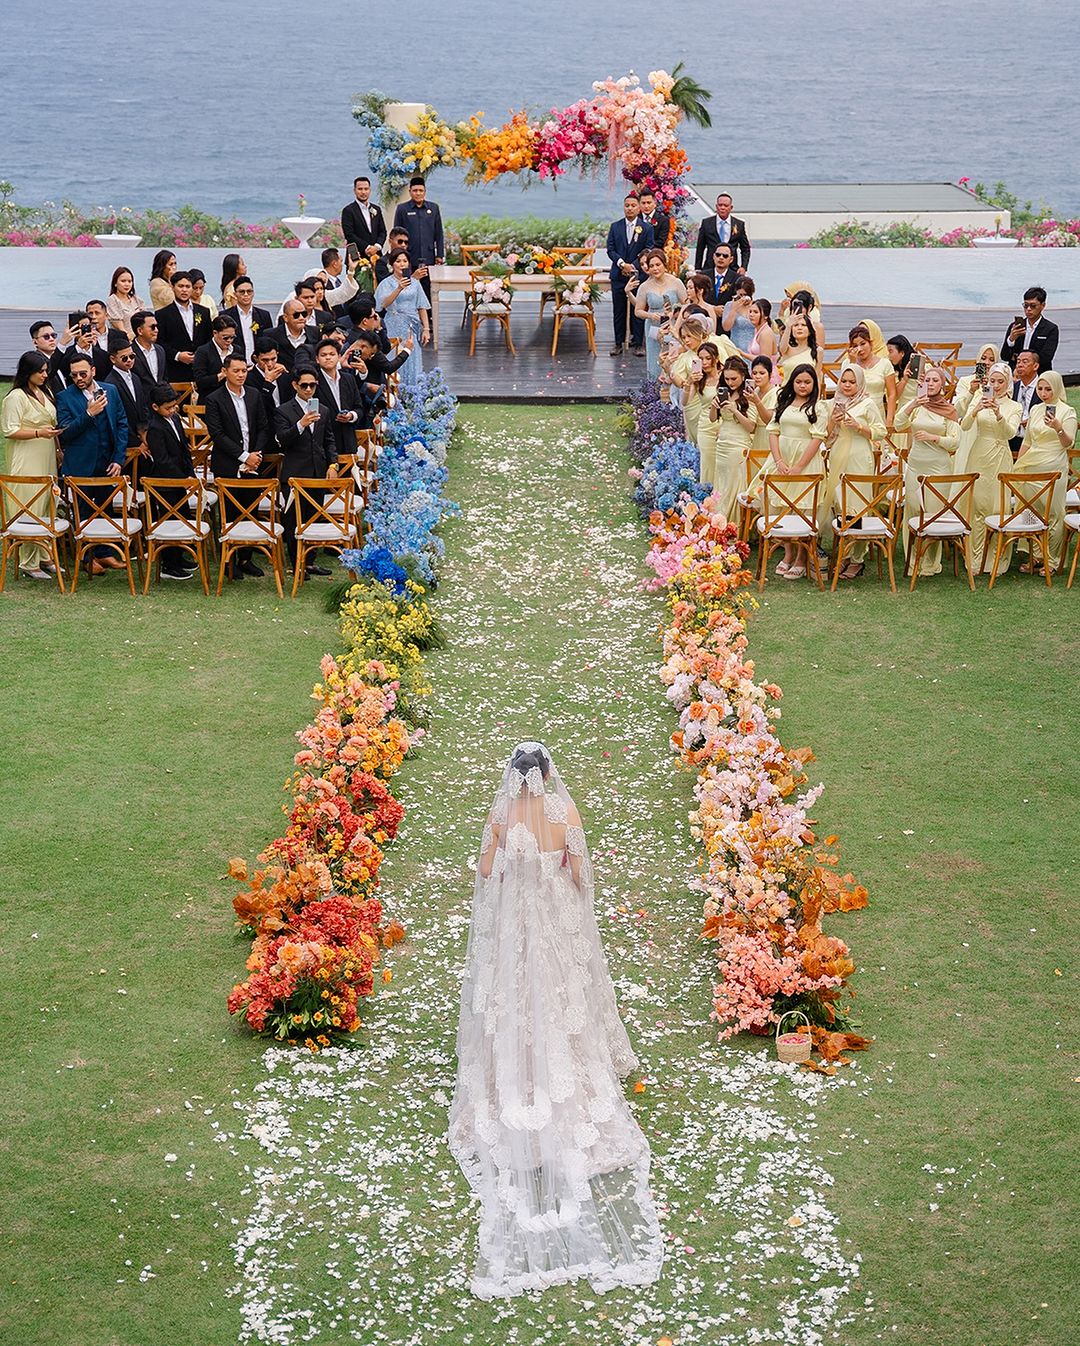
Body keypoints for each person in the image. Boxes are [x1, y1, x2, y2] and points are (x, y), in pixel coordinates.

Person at [449, 741, 663, 1300]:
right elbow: (579, 872)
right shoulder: (564, 812)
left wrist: (511, 874)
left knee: (517, 997)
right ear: (546, 776)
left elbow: (487, 872)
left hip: (517, 925)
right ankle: (570, 1073)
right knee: (566, 995)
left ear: (513, 779)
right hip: (554, 921)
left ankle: (516, 1075)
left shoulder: (501, 815)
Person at [56, 352, 129, 574]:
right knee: (84, 513)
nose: (79, 378)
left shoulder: (111, 390)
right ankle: (86, 558)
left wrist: (118, 459)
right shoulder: (64, 397)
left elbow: (122, 424)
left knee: (105, 510)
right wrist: (89, 413)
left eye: (83, 373)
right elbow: (65, 433)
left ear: (93, 371)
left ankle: (105, 554)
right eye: (74, 375)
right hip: (81, 465)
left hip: (108, 463)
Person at [204, 353, 275, 579]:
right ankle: (229, 560)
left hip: (254, 460)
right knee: (230, 512)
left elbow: (264, 427)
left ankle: (246, 558)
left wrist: (256, 454)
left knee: (251, 509)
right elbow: (217, 434)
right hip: (229, 463)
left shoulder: (254, 395)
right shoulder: (214, 399)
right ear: (225, 371)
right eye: (236, 371)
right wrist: (244, 457)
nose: (241, 375)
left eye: (244, 370)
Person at [894, 365, 961, 577]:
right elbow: (898, 424)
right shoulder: (915, 406)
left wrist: (934, 438)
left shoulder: (949, 410)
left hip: (938, 466)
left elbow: (955, 442)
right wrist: (913, 402)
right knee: (913, 509)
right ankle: (912, 559)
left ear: (942, 385)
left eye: (935, 381)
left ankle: (930, 562)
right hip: (915, 464)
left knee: (932, 512)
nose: (931, 384)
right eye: (928, 380)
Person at [0, 351, 63, 579]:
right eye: (41, 371)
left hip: (46, 454)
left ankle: (45, 555)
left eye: (46, 371)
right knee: (30, 504)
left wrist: (57, 448)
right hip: (26, 457)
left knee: (48, 502)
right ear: (29, 372)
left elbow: (51, 423)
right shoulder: (16, 397)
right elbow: (10, 430)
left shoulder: (44, 391)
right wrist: (39, 432)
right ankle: (28, 561)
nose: (45, 375)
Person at [957, 362, 1021, 571]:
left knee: (996, 506)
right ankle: (975, 557)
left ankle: (994, 559)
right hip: (978, 453)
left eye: (1000, 381)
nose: (996, 385)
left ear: (1007, 382)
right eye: (993, 381)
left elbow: (1010, 433)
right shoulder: (979, 398)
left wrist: (998, 413)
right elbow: (964, 425)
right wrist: (976, 409)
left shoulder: (1014, 406)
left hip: (999, 454)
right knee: (976, 504)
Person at [822, 364, 885, 575]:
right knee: (841, 504)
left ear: (859, 383)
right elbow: (826, 434)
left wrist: (858, 426)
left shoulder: (868, 403)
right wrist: (834, 421)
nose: (847, 385)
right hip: (839, 454)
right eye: (844, 381)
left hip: (859, 455)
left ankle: (857, 557)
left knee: (858, 506)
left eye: (852, 382)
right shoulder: (834, 402)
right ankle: (844, 554)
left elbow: (880, 431)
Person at [767, 364, 827, 579]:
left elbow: (818, 437)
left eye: (807, 382)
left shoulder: (818, 408)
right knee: (782, 506)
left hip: (806, 462)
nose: (802, 386)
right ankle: (788, 554)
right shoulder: (782, 402)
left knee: (803, 509)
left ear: (814, 385)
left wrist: (800, 466)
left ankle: (802, 557)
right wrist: (778, 460)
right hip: (781, 460)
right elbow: (773, 431)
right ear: (792, 382)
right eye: (799, 381)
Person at [275, 367, 336, 576]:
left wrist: (333, 464)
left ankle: (309, 562)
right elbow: (282, 439)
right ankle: (297, 564)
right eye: (304, 385)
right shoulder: (284, 410)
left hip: (317, 472)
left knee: (313, 517)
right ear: (295, 385)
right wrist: (301, 424)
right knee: (293, 521)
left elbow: (328, 441)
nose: (309, 389)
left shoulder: (324, 410)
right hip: (294, 474)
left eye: (312, 385)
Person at [1014, 370, 1076, 572]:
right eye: (1040, 388)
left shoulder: (1067, 412)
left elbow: (1068, 443)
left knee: (1054, 512)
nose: (1043, 392)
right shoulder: (1035, 410)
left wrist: (1058, 427)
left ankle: (1053, 559)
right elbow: (1028, 440)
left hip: (1053, 466)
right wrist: (1019, 464)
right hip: (1032, 465)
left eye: (1048, 389)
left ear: (1057, 388)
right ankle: (1035, 555)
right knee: (1031, 511)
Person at [144, 382, 199, 580]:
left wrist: (190, 472)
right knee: (169, 520)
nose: (173, 410)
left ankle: (178, 556)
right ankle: (168, 563)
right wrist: (182, 478)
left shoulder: (174, 419)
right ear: (155, 407)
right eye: (168, 408)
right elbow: (163, 460)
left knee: (182, 516)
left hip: (181, 477)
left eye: (174, 406)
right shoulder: (155, 428)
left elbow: (184, 448)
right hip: (165, 482)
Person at [699, 355, 756, 518]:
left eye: (734, 378)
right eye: (727, 379)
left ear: (743, 376)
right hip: (722, 441)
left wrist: (735, 410)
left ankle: (734, 522)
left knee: (734, 483)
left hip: (738, 444)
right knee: (722, 482)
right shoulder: (723, 392)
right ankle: (719, 519)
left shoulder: (749, 396)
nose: (730, 382)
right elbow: (712, 419)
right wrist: (713, 407)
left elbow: (751, 427)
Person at [605, 193, 654, 356]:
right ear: (623, 207)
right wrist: (621, 264)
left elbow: (648, 249)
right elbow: (610, 249)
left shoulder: (646, 228)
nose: (630, 208)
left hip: (638, 275)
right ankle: (618, 343)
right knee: (618, 310)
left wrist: (632, 265)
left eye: (633, 205)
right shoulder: (615, 226)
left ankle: (639, 343)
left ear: (639, 207)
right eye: (627, 205)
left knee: (638, 308)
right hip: (618, 275)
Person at [374, 250, 430, 387]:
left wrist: (426, 329)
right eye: (398, 261)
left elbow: (421, 306)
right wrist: (398, 288)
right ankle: (394, 393)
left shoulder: (415, 283)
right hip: (394, 323)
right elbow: (382, 305)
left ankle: (413, 392)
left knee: (412, 356)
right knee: (394, 356)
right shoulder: (386, 283)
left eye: (404, 261)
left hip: (411, 325)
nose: (402, 264)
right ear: (392, 264)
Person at [633, 249, 686, 380]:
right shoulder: (645, 287)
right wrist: (651, 315)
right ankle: (653, 392)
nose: (655, 269)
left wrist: (675, 314)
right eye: (651, 266)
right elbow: (638, 311)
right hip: (653, 327)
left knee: (672, 357)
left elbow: (686, 304)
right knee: (655, 359)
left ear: (664, 264)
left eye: (658, 265)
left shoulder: (676, 282)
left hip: (673, 325)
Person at [392, 177, 444, 301]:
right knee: (408, 284)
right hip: (408, 256)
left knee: (427, 286)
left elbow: (439, 233)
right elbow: (397, 234)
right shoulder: (402, 209)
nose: (418, 193)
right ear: (410, 191)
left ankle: (428, 313)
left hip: (428, 256)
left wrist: (440, 255)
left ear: (425, 191)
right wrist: (398, 254)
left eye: (421, 190)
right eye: (415, 190)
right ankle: (411, 311)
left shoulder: (434, 208)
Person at [156, 272, 212, 381]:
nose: (184, 290)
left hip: (202, 369)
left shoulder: (203, 312)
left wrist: (200, 355)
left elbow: (209, 337)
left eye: (188, 286)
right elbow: (160, 341)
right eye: (180, 286)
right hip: (176, 369)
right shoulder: (162, 314)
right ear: (172, 287)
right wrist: (178, 355)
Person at [103, 331, 151, 457]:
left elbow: (143, 407)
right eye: (124, 358)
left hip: (141, 436)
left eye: (132, 356)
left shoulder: (135, 377)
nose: (129, 360)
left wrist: (145, 434)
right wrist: (136, 442)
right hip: (125, 442)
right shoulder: (110, 383)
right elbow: (117, 418)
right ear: (113, 359)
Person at [314, 339, 364, 455]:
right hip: (325, 442)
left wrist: (351, 415)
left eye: (332, 354)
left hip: (348, 440)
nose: (328, 358)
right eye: (323, 355)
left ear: (339, 356)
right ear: (317, 359)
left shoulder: (348, 379)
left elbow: (359, 407)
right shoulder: (313, 381)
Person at [843, 321, 897, 425]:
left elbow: (891, 394)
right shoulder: (848, 363)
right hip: (854, 414)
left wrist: (889, 420)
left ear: (871, 343)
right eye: (855, 345)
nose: (860, 349)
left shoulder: (885, 364)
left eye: (863, 344)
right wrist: (853, 362)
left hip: (877, 415)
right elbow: (846, 388)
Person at [1001, 286, 1059, 371]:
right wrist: (1011, 340)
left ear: (1043, 305)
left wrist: (1022, 361)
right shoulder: (1015, 327)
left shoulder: (1050, 329)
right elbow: (1005, 356)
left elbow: (1046, 357)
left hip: (1039, 373)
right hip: (1015, 373)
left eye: (1033, 306)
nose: (1028, 309)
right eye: (1025, 305)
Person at [694, 192, 751, 273]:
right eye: (720, 205)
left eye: (725, 205)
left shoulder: (739, 224)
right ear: (716, 206)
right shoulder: (706, 223)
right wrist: (698, 268)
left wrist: (743, 267)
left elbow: (745, 248)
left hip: (732, 269)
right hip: (710, 268)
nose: (722, 208)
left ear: (731, 207)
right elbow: (700, 247)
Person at [682, 341, 723, 450]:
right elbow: (685, 402)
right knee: (706, 462)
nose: (704, 362)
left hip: (724, 424)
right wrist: (689, 383)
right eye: (701, 359)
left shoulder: (725, 376)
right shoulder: (699, 379)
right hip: (705, 425)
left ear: (717, 358)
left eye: (708, 358)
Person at [223, 277, 274, 363]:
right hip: (235, 364)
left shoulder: (264, 315)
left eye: (249, 291)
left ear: (253, 293)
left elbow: (268, 341)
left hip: (259, 364)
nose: (246, 294)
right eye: (242, 292)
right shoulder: (225, 316)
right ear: (235, 294)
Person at [192, 315, 240, 399]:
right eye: (225, 337)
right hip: (211, 397)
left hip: (234, 396)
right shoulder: (203, 351)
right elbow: (200, 381)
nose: (229, 340)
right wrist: (221, 375)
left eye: (232, 337)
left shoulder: (237, 349)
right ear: (215, 333)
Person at [341, 176, 386, 258]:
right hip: (356, 255)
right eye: (360, 189)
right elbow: (349, 234)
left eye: (366, 189)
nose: (363, 192)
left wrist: (377, 246)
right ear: (354, 191)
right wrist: (367, 247)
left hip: (376, 254)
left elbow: (382, 231)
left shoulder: (376, 209)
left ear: (370, 190)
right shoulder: (348, 210)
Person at [248, 336, 292, 419]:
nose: (270, 364)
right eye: (265, 360)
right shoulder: (248, 379)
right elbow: (256, 407)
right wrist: (268, 383)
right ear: (256, 358)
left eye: (273, 359)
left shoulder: (284, 375)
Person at [1010, 349, 1042, 456]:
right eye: (1018, 361)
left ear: (1035, 366)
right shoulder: (1013, 387)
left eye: (1025, 362)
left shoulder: (1044, 388)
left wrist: (1033, 421)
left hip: (1035, 439)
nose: (1020, 365)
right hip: (1012, 437)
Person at [308, 247, 360, 311]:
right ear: (335, 264)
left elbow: (343, 293)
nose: (320, 290)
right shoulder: (319, 279)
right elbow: (339, 294)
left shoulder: (338, 281)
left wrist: (351, 270)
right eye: (341, 261)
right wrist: (351, 271)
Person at [274, 298, 317, 372]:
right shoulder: (272, 335)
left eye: (304, 314)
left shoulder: (315, 332)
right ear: (285, 318)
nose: (301, 318)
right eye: (296, 315)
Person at [130, 310, 168, 391]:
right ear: (140, 331)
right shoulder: (129, 353)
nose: (156, 330)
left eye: (157, 326)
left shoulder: (160, 350)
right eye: (152, 327)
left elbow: (164, 378)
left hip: (160, 400)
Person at [777, 311, 821, 381]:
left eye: (803, 325)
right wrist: (788, 326)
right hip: (787, 390)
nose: (799, 328)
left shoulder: (817, 351)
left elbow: (817, 377)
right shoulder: (787, 349)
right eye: (796, 325)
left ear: (810, 331)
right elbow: (781, 348)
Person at [749, 355, 779, 455]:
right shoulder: (755, 391)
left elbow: (768, 420)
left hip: (769, 436)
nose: (757, 376)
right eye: (754, 373)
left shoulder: (775, 393)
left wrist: (757, 402)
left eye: (762, 373)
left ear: (770, 375)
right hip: (756, 435)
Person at [30, 319, 67, 395]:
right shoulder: (34, 360)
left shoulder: (59, 358)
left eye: (54, 335)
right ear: (35, 342)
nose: (51, 339)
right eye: (46, 337)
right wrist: (62, 344)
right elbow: (49, 372)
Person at [105, 267, 146, 336]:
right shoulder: (112, 300)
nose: (127, 284)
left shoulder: (137, 299)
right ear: (115, 283)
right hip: (124, 339)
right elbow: (120, 327)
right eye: (123, 281)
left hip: (140, 338)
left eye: (129, 281)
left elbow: (145, 320)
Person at [721, 278, 756, 355]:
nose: (743, 297)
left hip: (753, 348)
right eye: (740, 295)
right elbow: (726, 328)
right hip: (736, 346)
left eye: (745, 295)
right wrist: (733, 309)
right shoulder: (730, 305)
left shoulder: (756, 306)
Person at [747, 298, 778, 370]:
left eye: (755, 312)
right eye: (750, 311)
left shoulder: (766, 333)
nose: (751, 314)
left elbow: (764, 360)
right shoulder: (758, 330)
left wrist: (742, 353)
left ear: (766, 316)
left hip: (767, 375)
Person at [706, 244, 740, 309]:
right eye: (718, 255)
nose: (721, 258)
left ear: (731, 259)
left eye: (725, 256)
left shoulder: (737, 279)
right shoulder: (703, 276)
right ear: (713, 256)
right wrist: (713, 309)